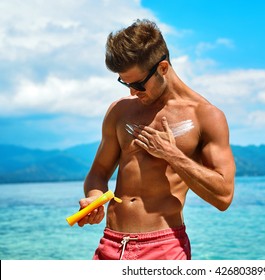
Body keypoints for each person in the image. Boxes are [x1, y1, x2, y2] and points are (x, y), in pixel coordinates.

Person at [77, 19, 236, 260]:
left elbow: (223, 197)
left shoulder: (205, 116)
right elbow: (98, 172)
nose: (132, 92)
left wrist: (171, 155)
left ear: (163, 68)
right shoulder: (119, 111)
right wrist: (93, 197)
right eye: (125, 83)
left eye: (138, 84)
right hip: (111, 245)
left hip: (164, 248)